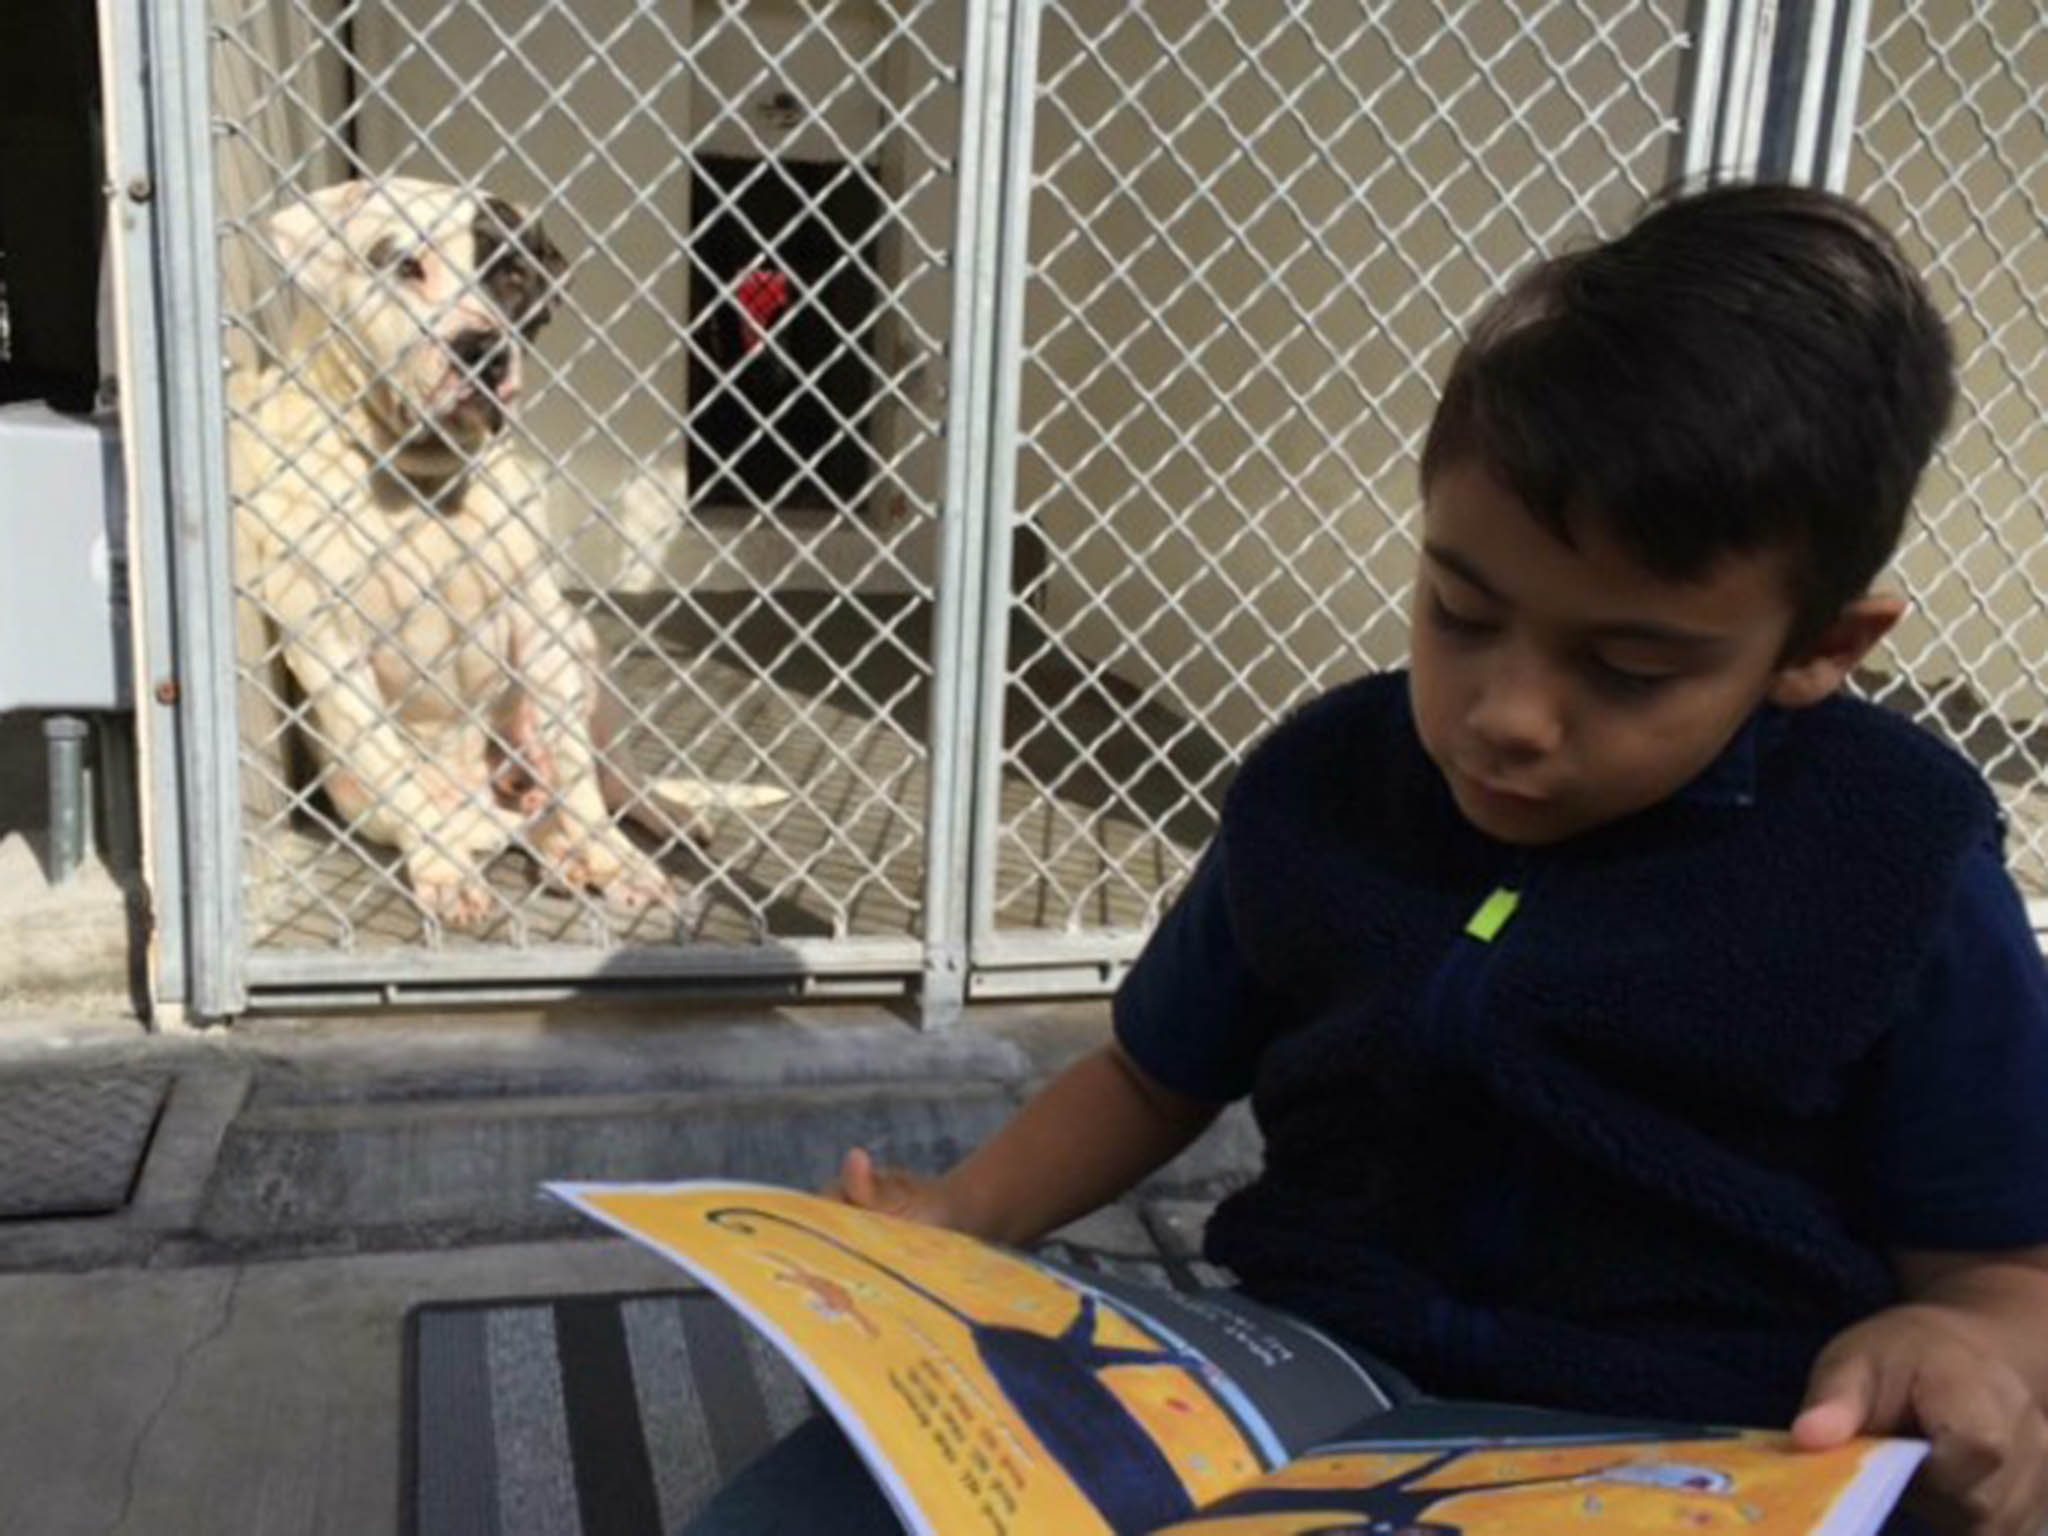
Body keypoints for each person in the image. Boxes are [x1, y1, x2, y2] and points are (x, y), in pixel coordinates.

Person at [685, 182, 2048, 1535]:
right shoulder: (1328, 782)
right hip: (1296, 1369)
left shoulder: (1898, 857)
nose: (1507, 716)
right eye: (1460, 611)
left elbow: (2003, 1264)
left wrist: (1962, 1343)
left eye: (1629, 669)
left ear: (1821, 647)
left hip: (1685, 1440)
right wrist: (963, 1214)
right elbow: (1149, 1074)